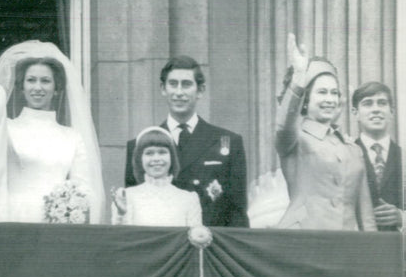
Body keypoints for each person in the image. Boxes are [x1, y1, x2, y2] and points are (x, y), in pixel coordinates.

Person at [0, 41, 105, 223]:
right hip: (12, 219)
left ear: (56, 89)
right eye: (31, 80)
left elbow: (83, 186)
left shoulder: (72, 137)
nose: (38, 87)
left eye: (45, 81)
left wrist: (70, 211)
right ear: (21, 87)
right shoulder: (7, 128)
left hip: (56, 224)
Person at [124, 55, 249, 227]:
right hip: (157, 247)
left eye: (187, 84)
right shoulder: (139, 145)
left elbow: (237, 214)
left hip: (208, 246)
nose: (179, 92)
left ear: (200, 90)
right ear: (163, 88)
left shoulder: (228, 142)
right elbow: (131, 210)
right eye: (173, 84)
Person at [275, 34, 375, 230]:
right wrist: (299, 78)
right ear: (305, 99)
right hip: (303, 241)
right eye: (322, 92)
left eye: (334, 93)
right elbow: (283, 125)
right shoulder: (294, 139)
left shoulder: (353, 149)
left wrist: (373, 253)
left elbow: (366, 215)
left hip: (346, 246)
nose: (330, 99)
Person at [112, 126, 202, 227]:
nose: (156, 158)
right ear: (140, 159)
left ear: (172, 157)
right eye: (149, 153)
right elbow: (122, 238)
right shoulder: (126, 197)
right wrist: (121, 214)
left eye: (162, 152)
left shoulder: (189, 199)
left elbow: (195, 237)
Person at [351, 81, 402, 230]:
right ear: (355, 113)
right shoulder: (345, 154)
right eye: (368, 104)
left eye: (382, 103)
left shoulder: (403, 156)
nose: (376, 110)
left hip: (398, 247)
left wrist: (402, 217)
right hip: (356, 244)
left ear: (391, 112)